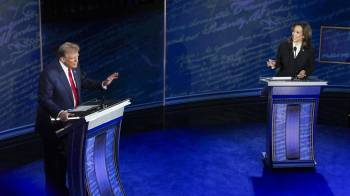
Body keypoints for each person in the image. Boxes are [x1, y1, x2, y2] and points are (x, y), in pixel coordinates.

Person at [35, 42, 118, 195]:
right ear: (62, 59)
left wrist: (102, 84)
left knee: (67, 160)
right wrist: (59, 112)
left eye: (77, 58)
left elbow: (83, 81)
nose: (76, 61)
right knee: (54, 166)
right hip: (52, 126)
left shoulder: (75, 67)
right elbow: (44, 99)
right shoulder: (49, 73)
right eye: (73, 59)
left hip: (71, 123)